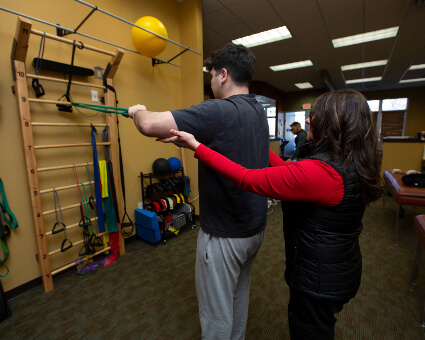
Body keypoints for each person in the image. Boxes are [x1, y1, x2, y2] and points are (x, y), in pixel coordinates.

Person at [159, 89, 383, 340]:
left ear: (334, 124)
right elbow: (288, 170)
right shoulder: (348, 162)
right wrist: (254, 143)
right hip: (337, 270)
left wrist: (197, 146)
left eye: (315, 115)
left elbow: (247, 179)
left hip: (320, 280)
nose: (308, 119)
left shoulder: (324, 174)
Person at [128, 43, 270, 340]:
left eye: (211, 75)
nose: (210, 83)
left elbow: (151, 125)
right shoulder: (257, 111)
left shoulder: (218, 110)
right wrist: (197, 143)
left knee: (217, 318)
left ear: (223, 74)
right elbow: (232, 145)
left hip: (224, 236)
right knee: (237, 301)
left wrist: (138, 111)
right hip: (253, 229)